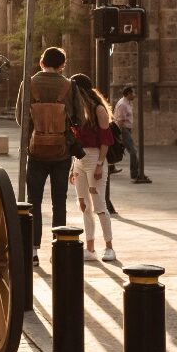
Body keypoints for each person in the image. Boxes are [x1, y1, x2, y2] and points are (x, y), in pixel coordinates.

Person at [15, 46, 78, 266]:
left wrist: (36, 132)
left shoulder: (29, 83)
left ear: (41, 62)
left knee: (34, 202)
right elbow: (77, 117)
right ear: (62, 64)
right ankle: (58, 248)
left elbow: (20, 118)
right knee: (59, 202)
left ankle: (33, 251)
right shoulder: (69, 85)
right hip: (61, 153)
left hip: (36, 151)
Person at [69, 74, 116, 262]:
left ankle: (109, 246)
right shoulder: (78, 110)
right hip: (79, 160)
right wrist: (72, 167)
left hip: (95, 158)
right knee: (84, 205)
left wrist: (99, 165)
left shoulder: (98, 109)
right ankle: (90, 248)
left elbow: (106, 141)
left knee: (99, 205)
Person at [113, 86, 142, 181]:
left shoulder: (128, 103)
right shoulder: (123, 104)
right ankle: (134, 174)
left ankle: (110, 167)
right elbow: (120, 121)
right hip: (123, 130)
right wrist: (120, 134)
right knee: (133, 151)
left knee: (117, 149)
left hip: (127, 129)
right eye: (133, 93)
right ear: (128, 94)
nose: (134, 95)